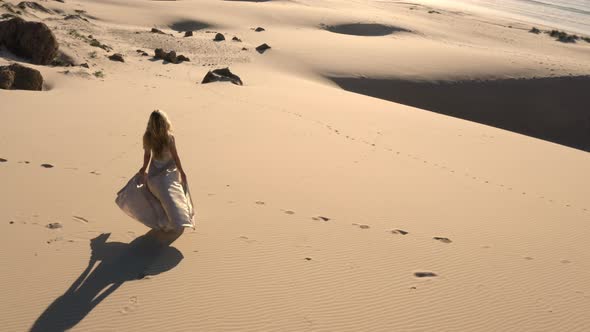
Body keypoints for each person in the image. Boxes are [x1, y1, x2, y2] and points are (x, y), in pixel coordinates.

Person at [117, 109, 194, 232]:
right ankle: (180, 218)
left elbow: (147, 156)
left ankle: (171, 217)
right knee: (174, 195)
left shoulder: (148, 137)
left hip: (155, 172)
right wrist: (182, 172)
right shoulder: (169, 137)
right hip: (169, 171)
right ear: (165, 122)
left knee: (161, 197)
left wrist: (144, 168)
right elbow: (175, 156)